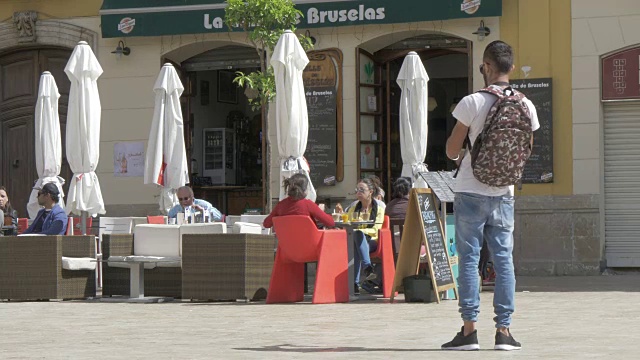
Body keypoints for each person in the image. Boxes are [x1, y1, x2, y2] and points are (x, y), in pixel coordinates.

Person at [442, 40, 539, 351]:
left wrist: (465, 157)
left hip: (470, 190)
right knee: (504, 261)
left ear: (486, 66)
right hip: (505, 192)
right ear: (510, 67)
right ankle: (504, 333)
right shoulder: (527, 105)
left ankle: (469, 331)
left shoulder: (472, 102)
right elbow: (527, 151)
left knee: (469, 260)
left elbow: (451, 149)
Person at [346, 177, 385, 294]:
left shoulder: (379, 207)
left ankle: (355, 283)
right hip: (357, 240)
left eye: (362, 190)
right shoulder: (354, 207)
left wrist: (362, 232)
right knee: (357, 239)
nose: (358, 192)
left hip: (373, 241)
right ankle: (367, 268)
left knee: (357, 235)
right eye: (357, 189)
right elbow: (347, 224)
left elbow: (376, 229)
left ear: (371, 192)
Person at [263, 173, 334, 229]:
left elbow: (266, 224)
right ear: (305, 189)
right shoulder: (308, 205)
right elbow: (330, 223)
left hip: (287, 245)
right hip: (309, 244)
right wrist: (320, 210)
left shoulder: (281, 205)